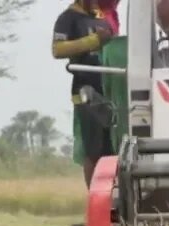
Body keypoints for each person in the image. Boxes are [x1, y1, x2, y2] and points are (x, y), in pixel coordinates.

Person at [52, 0, 118, 186]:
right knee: (93, 149)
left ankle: (112, 198)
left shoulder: (103, 17)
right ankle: (95, 199)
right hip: (85, 91)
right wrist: (93, 41)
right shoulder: (68, 17)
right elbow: (57, 49)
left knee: (112, 150)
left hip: (109, 90)